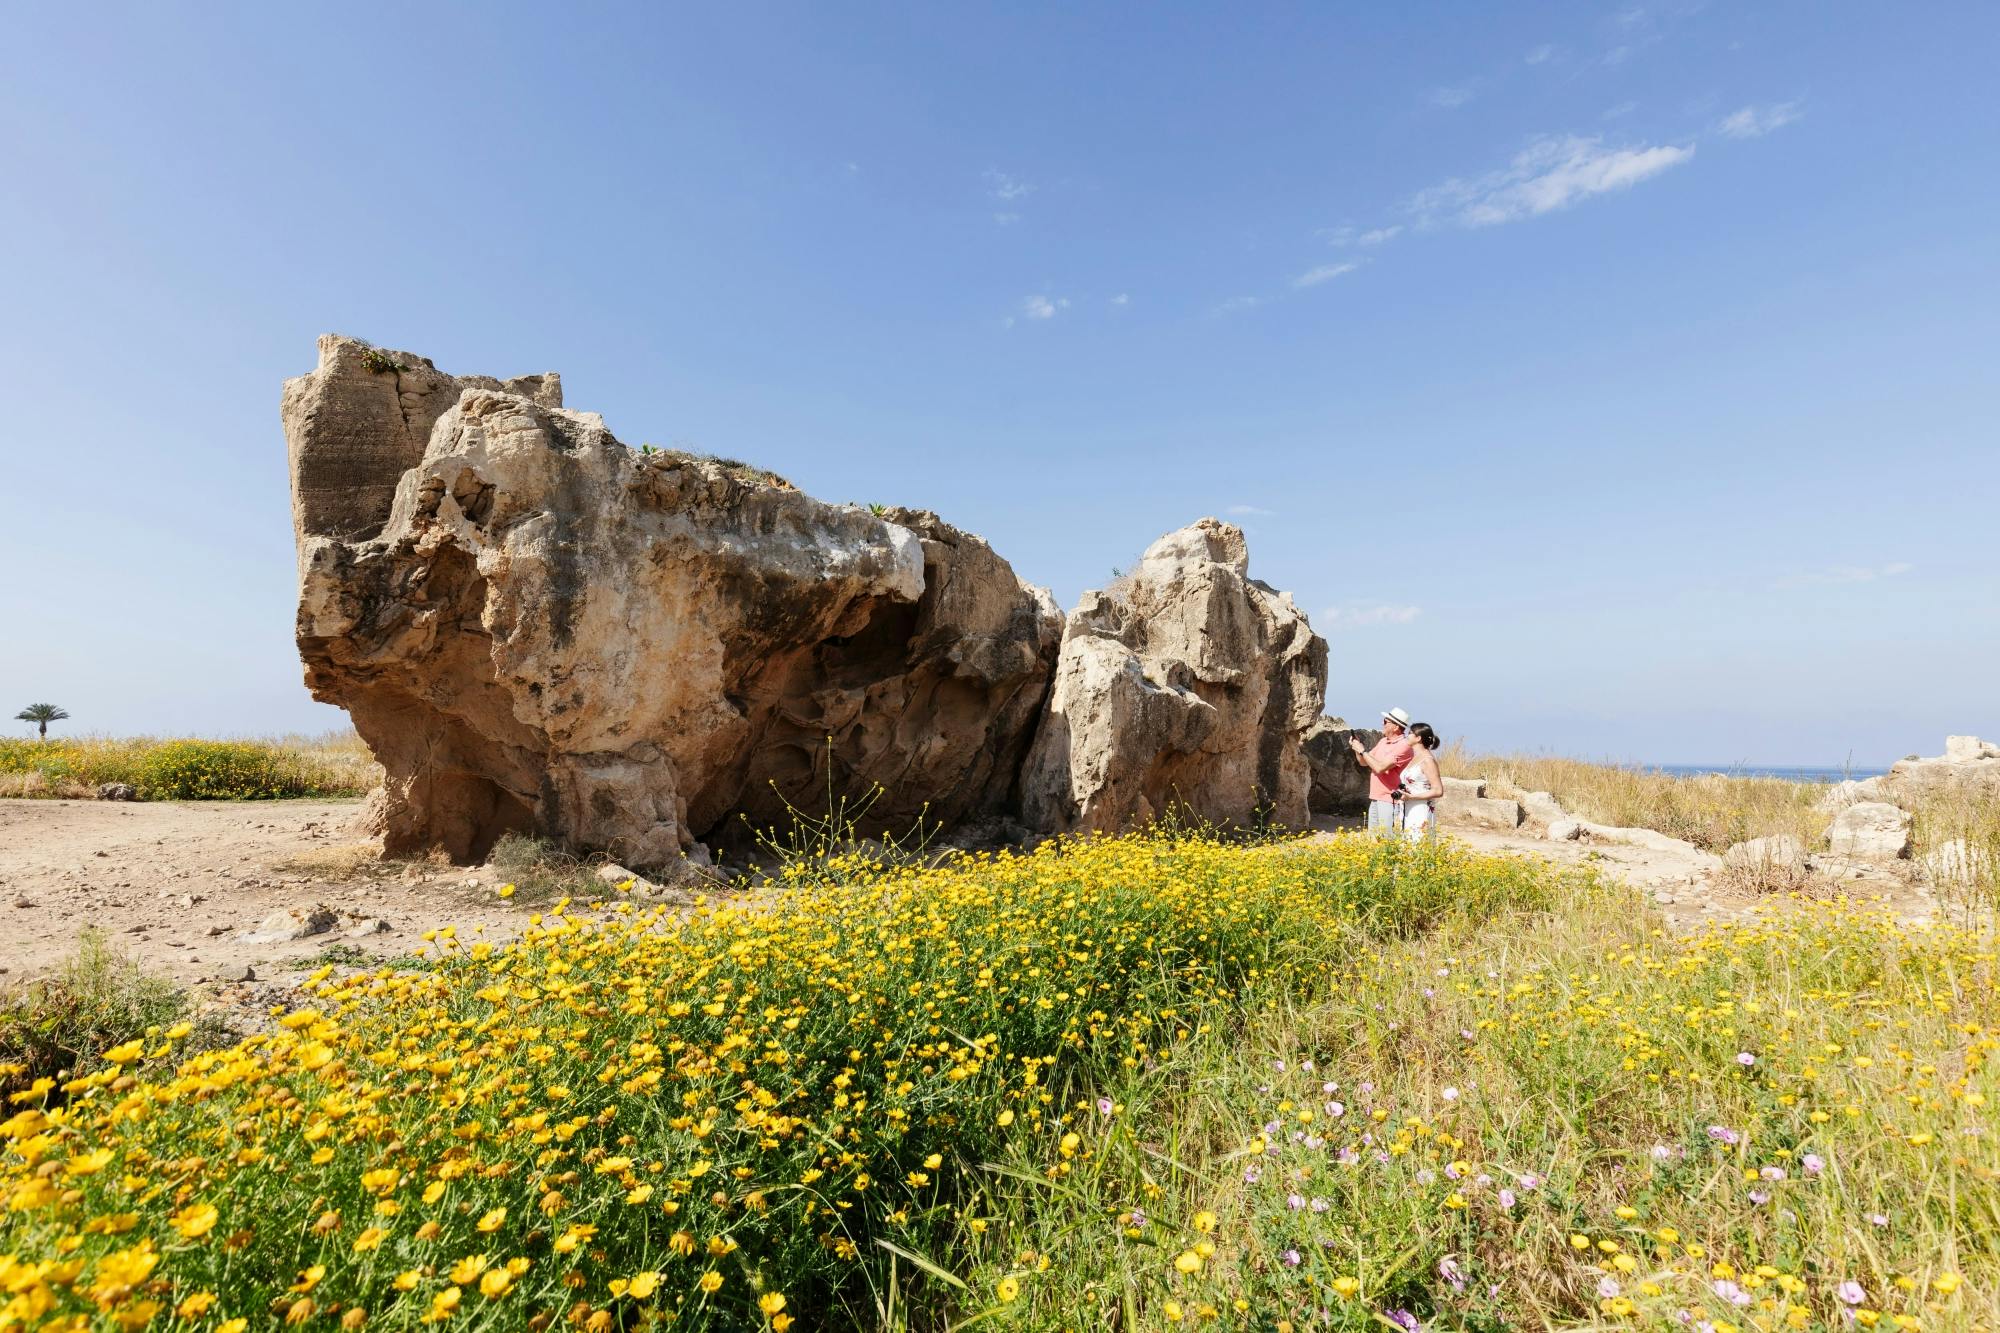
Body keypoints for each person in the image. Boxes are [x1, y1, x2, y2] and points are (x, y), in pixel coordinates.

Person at [1349, 707, 1415, 835]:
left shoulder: (1404, 746)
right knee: (1373, 839)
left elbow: (1379, 768)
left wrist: (1362, 750)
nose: (1382, 723)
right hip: (1376, 797)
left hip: (1390, 799)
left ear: (1396, 727)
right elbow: (1364, 762)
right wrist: (1357, 748)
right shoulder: (1383, 741)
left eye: (1385, 721)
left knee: (1387, 838)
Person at [1398, 722, 1443, 841]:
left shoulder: (1427, 760)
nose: (1407, 736)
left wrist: (1412, 797)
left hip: (1420, 809)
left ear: (1418, 738)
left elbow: (1438, 790)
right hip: (1408, 807)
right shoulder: (1415, 757)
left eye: (1410, 733)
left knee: (1418, 844)